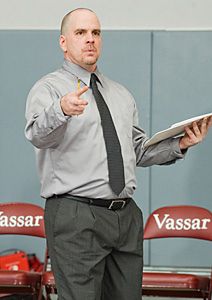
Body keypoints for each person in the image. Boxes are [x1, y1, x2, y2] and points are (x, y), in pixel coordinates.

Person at [25, 8, 212, 300]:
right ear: (63, 42)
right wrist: (60, 110)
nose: (90, 39)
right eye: (81, 33)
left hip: (124, 217)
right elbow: (37, 134)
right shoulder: (49, 89)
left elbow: (137, 150)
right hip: (75, 215)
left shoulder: (120, 94)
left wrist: (180, 144)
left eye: (96, 33)